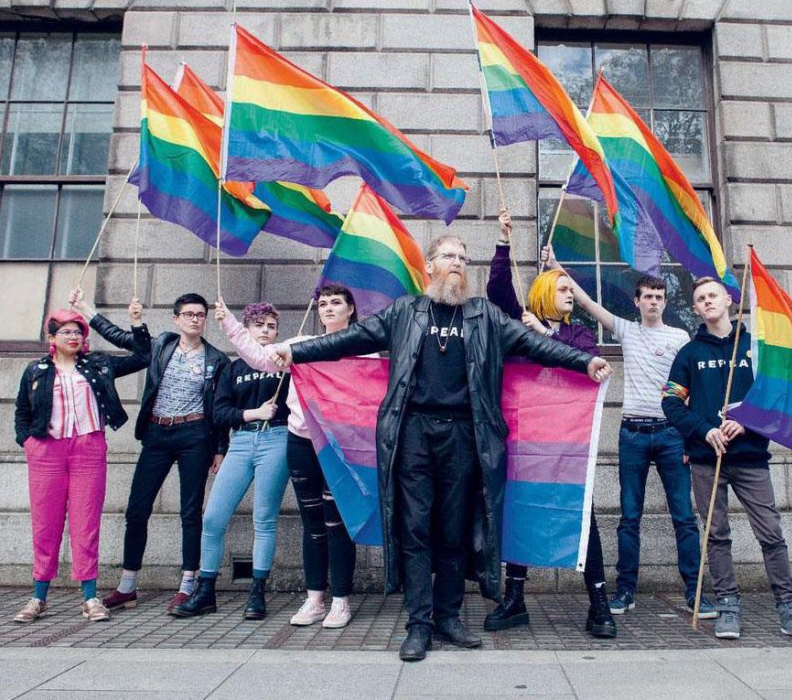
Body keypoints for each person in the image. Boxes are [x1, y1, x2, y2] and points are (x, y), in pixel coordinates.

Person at [269, 235, 611, 662]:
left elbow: (533, 344)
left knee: (454, 530)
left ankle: (448, 617)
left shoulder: (484, 314)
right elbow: (349, 340)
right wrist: (295, 352)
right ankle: (419, 624)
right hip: (413, 433)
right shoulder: (405, 311)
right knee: (415, 529)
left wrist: (584, 361)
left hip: (465, 435)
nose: (458, 263)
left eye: (464, 257)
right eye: (449, 255)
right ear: (429, 266)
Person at [543, 246, 710, 620]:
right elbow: (587, 303)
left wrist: (690, 438)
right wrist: (556, 265)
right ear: (637, 301)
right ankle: (625, 591)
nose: (654, 302)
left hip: (671, 433)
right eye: (648, 296)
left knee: (684, 517)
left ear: (665, 302)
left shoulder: (680, 338)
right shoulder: (627, 331)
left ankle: (695, 592)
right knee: (629, 517)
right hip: (632, 433)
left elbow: (691, 389)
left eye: (659, 297)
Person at [662, 277, 792, 641]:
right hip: (708, 459)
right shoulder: (689, 354)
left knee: (771, 534)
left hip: (751, 458)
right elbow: (670, 402)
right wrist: (705, 430)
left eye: (713, 295)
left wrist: (748, 421)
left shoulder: (756, 347)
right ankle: (728, 605)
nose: (707, 301)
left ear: (729, 301)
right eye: (700, 298)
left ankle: (790, 608)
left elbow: (779, 394)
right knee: (716, 535)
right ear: (695, 308)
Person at [483, 210, 615, 639]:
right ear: (542, 292)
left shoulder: (579, 336)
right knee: (520, 512)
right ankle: (514, 598)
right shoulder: (518, 323)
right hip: (524, 441)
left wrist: (544, 332)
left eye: (571, 289)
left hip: (566, 447)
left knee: (581, 516)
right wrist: (504, 241)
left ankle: (598, 603)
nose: (569, 294)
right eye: (562, 288)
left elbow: (587, 366)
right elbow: (497, 290)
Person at [71, 289, 230, 614]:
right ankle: (127, 585)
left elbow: (219, 406)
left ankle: (187, 586)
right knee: (137, 510)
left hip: (195, 435)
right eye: (188, 314)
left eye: (200, 315)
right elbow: (120, 337)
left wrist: (219, 447)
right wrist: (86, 309)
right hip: (157, 433)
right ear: (176, 318)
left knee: (190, 512)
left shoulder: (217, 360)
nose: (195, 319)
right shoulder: (160, 345)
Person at [214, 285, 361, 629]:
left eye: (335, 302)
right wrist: (230, 324)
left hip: (340, 446)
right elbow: (260, 357)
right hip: (301, 442)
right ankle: (315, 599)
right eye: (322, 303)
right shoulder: (300, 344)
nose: (327, 308)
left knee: (337, 522)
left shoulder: (361, 346)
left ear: (351, 309)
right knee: (313, 524)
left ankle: (341, 601)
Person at [13, 301, 150, 623]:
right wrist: (28, 442)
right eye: (66, 332)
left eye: (78, 332)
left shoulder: (98, 364)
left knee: (85, 523)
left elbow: (143, 356)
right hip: (46, 450)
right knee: (45, 525)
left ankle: (90, 598)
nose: (73, 336)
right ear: (52, 337)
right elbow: (22, 411)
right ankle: (38, 597)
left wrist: (134, 322)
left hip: (88, 448)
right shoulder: (35, 371)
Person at [169, 302, 291, 620]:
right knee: (212, 519)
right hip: (241, 442)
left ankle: (257, 593)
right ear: (246, 330)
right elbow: (219, 413)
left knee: (264, 518)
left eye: (271, 326)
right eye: (259, 325)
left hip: (276, 440)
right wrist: (253, 413)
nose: (265, 331)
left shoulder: (284, 363)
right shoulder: (233, 368)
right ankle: (205, 591)